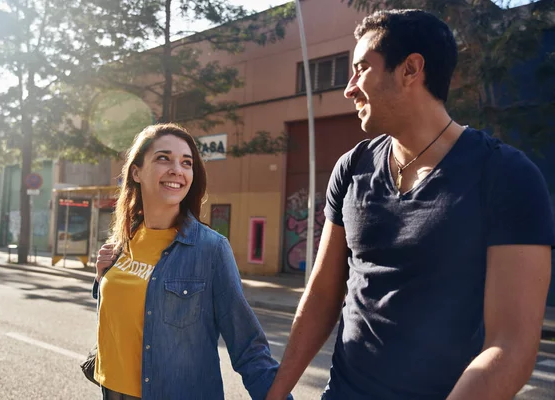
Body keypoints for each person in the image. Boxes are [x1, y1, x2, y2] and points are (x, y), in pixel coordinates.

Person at [266, 9, 555, 400]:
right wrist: (276, 392)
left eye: (361, 69)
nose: (349, 88)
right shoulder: (352, 167)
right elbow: (322, 294)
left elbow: (511, 348)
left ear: (410, 69)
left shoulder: (506, 176)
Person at [92, 123, 291, 400]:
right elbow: (121, 316)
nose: (177, 169)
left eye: (186, 163)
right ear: (136, 172)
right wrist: (101, 278)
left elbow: (248, 346)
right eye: (164, 158)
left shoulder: (210, 249)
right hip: (111, 392)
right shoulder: (123, 240)